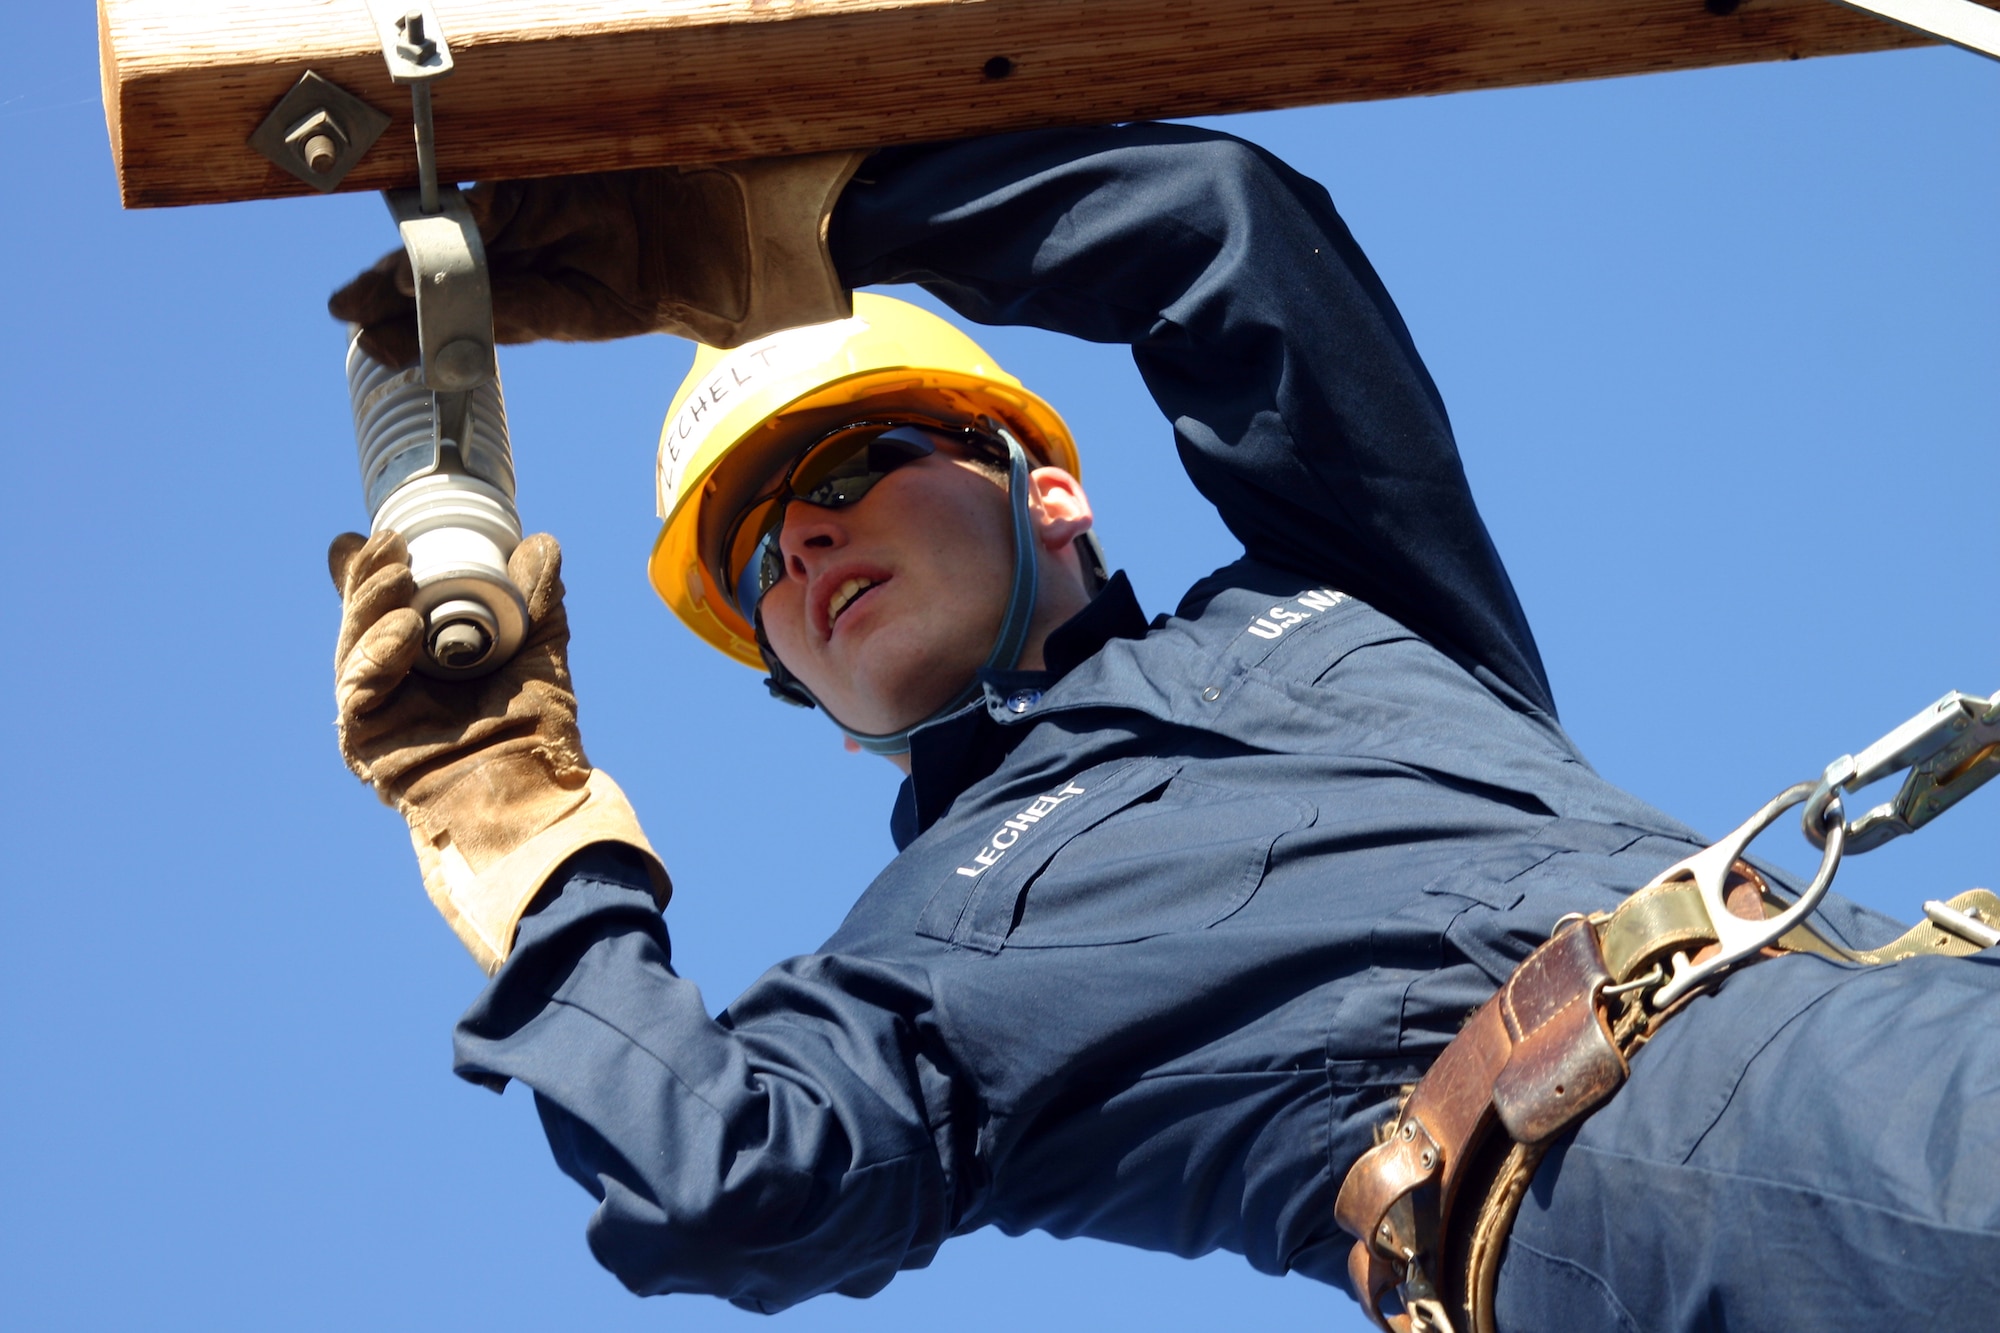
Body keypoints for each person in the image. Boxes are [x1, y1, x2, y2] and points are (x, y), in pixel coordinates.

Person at [327, 124, 2000, 1330]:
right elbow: (717, 1172)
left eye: (851, 468)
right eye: (764, 559)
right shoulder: (921, 960)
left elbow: (1226, 236)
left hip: (1893, 1011)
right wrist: (522, 823)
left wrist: (782, 210)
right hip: (1616, 1194)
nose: (811, 539)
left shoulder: (1346, 592)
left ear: (1044, 486)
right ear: (804, 697)